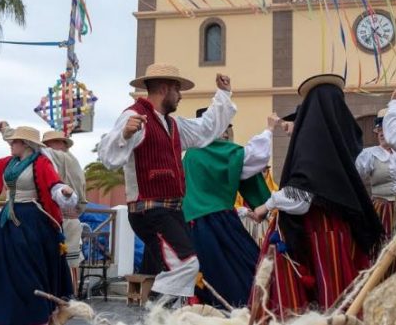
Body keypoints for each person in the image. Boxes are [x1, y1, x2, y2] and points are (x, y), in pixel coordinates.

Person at [98, 63, 236, 305]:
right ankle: (154, 313)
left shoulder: (172, 124)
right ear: (164, 88)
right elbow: (108, 157)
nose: (181, 95)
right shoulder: (133, 116)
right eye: (177, 89)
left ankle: (159, 312)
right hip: (149, 211)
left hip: (171, 212)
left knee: (179, 267)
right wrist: (124, 135)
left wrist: (223, 94)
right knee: (186, 264)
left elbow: (205, 130)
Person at [250, 74, 383, 317]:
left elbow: (301, 195)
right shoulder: (342, 139)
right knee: (338, 290)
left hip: (318, 230)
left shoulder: (313, 141)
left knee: (326, 290)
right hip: (339, 229)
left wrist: (266, 205)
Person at [0, 126, 77, 325]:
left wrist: (65, 192)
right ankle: (6, 315)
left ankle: (36, 314)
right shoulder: (8, 163)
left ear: (26, 144)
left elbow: (54, 184)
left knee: (28, 269)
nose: (11, 144)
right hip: (8, 221)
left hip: (31, 220)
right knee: (4, 269)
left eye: (14, 142)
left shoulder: (40, 163)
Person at [182, 110, 276, 308]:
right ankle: (248, 310)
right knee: (244, 269)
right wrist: (268, 130)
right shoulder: (218, 151)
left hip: (192, 225)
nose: (226, 134)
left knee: (207, 276)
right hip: (218, 222)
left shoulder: (190, 154)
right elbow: (251, 158)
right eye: (223, 128)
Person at [355, 109, 396, 244]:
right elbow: (355, 177)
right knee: (384, 244)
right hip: (383, 210)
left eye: (385, 129)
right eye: (379, 130)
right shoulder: (369, 154)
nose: (381, 133)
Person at [38, 129, 88, 286]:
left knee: (68, 262)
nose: (47, 147)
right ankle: (66, 299)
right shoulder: (69, 160)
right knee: (66, 262)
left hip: (63, 218)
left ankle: (68, 299)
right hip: (64, 218)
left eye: (49, 143)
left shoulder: (58, 157)